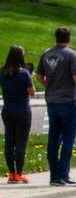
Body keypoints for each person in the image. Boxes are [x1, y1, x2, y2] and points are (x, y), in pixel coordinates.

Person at [36, 27, 76, 187]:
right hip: (68, 101)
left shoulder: (47, 54)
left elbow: (39, 76)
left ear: (56, 38)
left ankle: (54, 176)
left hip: (51, 101)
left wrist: (49, 85)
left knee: (53, 139)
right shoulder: (71, 55)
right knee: (68, 139)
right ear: (69, 38)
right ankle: (63, 175)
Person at [1, 46, 35, 184]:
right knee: (21, 141)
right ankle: (19, 174)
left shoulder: (2, 72)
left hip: (7, 110)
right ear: (21, 57)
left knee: (9, 142)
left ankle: (12, 174)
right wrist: (30, 78)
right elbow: (31, 92)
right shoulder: (24, 73)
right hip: (22, 110)